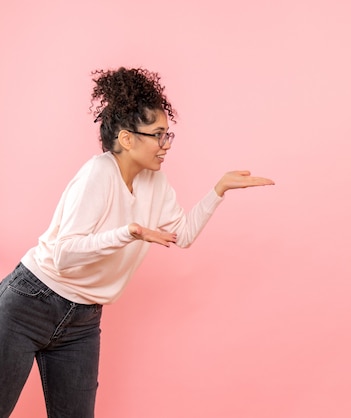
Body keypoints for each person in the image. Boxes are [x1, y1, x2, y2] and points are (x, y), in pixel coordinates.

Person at [0, 67, 274, 418]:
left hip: (82, 321)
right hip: (30, 302)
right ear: (127, 139)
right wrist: (127, 232)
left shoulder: (155, 184)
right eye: (158, 135)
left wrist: (218, 190)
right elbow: (64, 257)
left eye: (167, 135)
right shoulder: (98, 174)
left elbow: (184, 234)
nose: (166, 145)